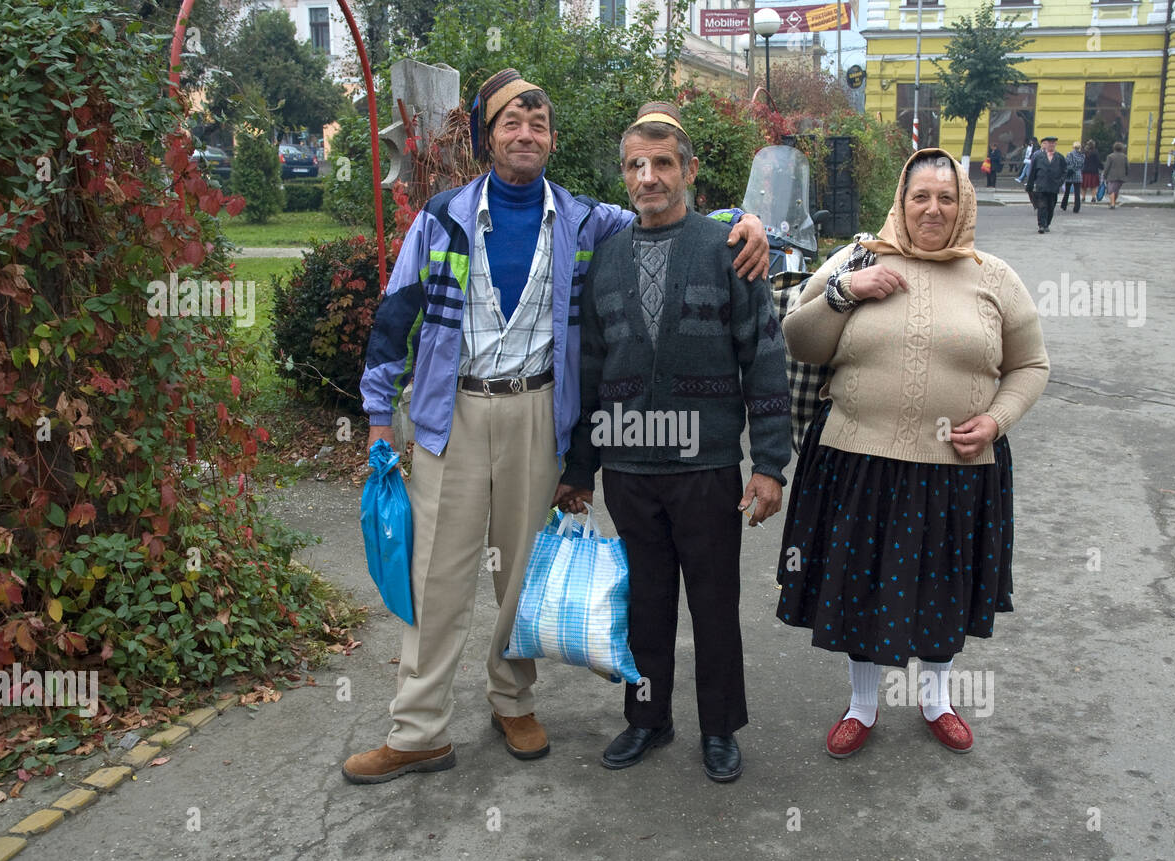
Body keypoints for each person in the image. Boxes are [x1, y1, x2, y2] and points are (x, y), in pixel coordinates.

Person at [346, 70, 769, 784]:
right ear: (488, 136)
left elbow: (662, 209)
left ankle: (512, 701)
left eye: (538, 124)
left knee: (519, 576)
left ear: (550, 139)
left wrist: (741, 220)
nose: (526, 134)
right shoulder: (443, 216)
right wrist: (378, 414)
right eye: (512, 122)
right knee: (437, 578)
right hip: (450, 416)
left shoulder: (580, 217)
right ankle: (418, 731)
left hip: (537, 414)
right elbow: (395, 316)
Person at [777, 147, 1049, 758]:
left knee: (941, 589)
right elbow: (801, 342)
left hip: (957, 469)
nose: (932, 209)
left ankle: (936, 700)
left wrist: (998, 421)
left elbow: (1031, 365)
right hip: (859, 463)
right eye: (919, 197)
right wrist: (847, 291)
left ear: (963, 205)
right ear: (901, 201)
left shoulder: (993, 276)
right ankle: (862, 706)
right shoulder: (858, 257)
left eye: (945, 198)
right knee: (862, 587)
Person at [555, 103, 791, 784]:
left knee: (714, 605)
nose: (649, 176)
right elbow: (590, 369)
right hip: (629, 467)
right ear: (625, 175)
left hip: (707, 466)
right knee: (646, 604)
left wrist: (769, 464)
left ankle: (720, 729)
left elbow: (765, 357)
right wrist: (580, 467)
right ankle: (648, 719)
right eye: (636, 164)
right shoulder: (603, 259)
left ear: (688, 170)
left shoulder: (728, 251)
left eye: (663, 163)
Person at [1026, 135, 1066, 233]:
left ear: (1055, 144)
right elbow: (1033, 172)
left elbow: (1065, 171)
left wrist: (1060, 182)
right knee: (1042, 206)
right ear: (1045, 144)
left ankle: (1047, 223)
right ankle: (1041, 225)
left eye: (1053, 143)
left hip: (1053, 186)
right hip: (1041, 185)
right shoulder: (1038, 157)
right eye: (1049, 143)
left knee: (1051, 206)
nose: (1051, 145)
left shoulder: (1060, 157)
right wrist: (1030, 186)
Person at [1102, 142, 1129, 208]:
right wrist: (1126, 174)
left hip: (1111, 176)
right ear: (1121, 148)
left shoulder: (1110, 156)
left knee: (1111, 190)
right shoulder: (1125, 157)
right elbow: (1127, 166)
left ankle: (1112, 204)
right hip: (1121, 176)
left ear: (1114, 148)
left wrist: (1104, 175)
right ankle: (1113, 202)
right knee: (1116, 190)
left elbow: (1107, 167)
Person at [1060, 140, 1083, 213]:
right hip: (1078, 174)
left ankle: (1064, 205)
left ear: (1073, 147)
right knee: (1077, 192)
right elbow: (1082, 165)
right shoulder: (1082, 155)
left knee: (1067, 191)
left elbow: (1066, 163)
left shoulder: (1069, 154)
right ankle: (1076, 208)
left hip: (1070, 174)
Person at [1081, 140, 1101, 204]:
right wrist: (1102, 167)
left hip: (1084, 171)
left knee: (1083, 185)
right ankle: (1093, 198)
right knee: (1093, 186)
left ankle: (1083, 197)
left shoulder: (1084, 152)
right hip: (1093, 171)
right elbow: (1098, 161)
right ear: (1093, 145)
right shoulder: (1095, 152)